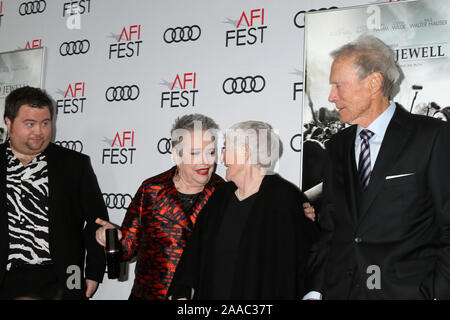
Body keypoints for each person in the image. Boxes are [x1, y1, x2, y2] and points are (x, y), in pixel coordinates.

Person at [305, 35, 450, 299]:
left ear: (374, 83)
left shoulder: (433, 137)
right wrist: (316, 290)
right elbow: (331, 230)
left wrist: (436, 293)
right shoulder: (337, 145)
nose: (331, 96)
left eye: (339, 86)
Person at [169, 121, 318, 299]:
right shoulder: (220, 196)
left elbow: (300, 267)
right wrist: (183, 291)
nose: (222, 159)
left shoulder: (286, 199)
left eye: (226, 149)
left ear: (245, 153)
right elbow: (195, 251)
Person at [96, 114, 224, 300]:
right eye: (195, 153)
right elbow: (128, 248)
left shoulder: (224, 194)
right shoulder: (152, 190)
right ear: (176, 155)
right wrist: (113, 238)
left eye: (211, 152)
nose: (205, 161)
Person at [0, 86, 108, 300]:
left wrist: (94, 272)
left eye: (45, 123)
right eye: (30, 124)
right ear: (8, 122)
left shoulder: (74, 164)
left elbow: (98, 220)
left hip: (65, 277)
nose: (39, 131)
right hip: (5, 278)